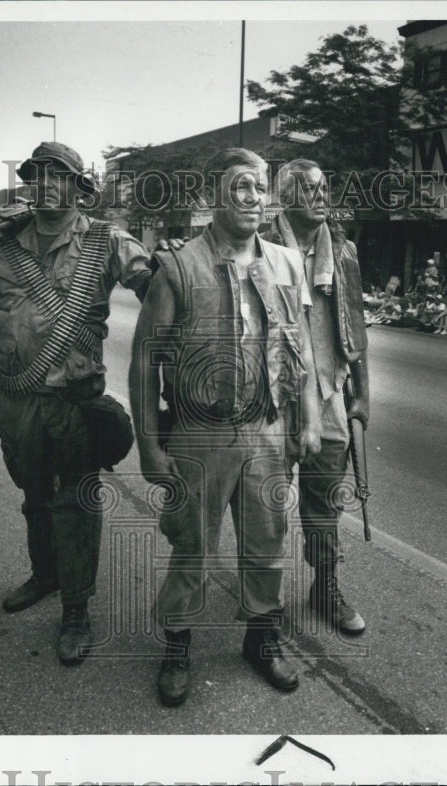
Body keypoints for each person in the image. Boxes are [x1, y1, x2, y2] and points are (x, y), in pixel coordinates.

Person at [129, 148, 322, 707]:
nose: (254, 200)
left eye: (261, 189)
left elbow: (301, 347)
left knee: (266, 544)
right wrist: (148, 446)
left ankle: (260, 642)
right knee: (192, 548)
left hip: (266, 432)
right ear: (214, 195)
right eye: (241, 187)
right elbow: (145, 363)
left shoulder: (287, 263)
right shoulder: (180, 267)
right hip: (198, 435)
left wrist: (306, 419)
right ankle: (178, 647)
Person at [0, 141, 153, 666]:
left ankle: (76, 611)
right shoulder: (1, 246)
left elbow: (155, 284)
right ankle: (44, 575)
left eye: (56, 175)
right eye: (34, 175)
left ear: (78, 187)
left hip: (73, 402)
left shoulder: (105, 240)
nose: (43, 184)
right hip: (16, 398)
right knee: (34, 495)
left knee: (76, 505)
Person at [264, 159, 369, 635]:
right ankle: (262, 600)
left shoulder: (343, 252)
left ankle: (324, 586)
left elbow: (354, 327)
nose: (322, 196)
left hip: (328, 394)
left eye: (325, 187)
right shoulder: (258, 247)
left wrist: (361, 397)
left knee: (325, 502)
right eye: (309, 189)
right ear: (287, 197)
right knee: (263, 505)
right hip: (270, 397)